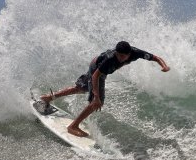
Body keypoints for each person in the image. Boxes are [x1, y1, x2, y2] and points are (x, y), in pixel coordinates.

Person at [40, 41, 170, 137]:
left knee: (80, 88)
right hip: (97, 70)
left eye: (123, 57)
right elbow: (95, 76)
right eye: (118, 55)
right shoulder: (110, 59)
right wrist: (96, 97)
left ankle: (48, 98)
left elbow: (156, 58)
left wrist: (164, 66)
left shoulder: (136, 53)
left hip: (97, 65)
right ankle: (73, 126)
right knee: (98, 102)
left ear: (129, 54)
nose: (120, 58)